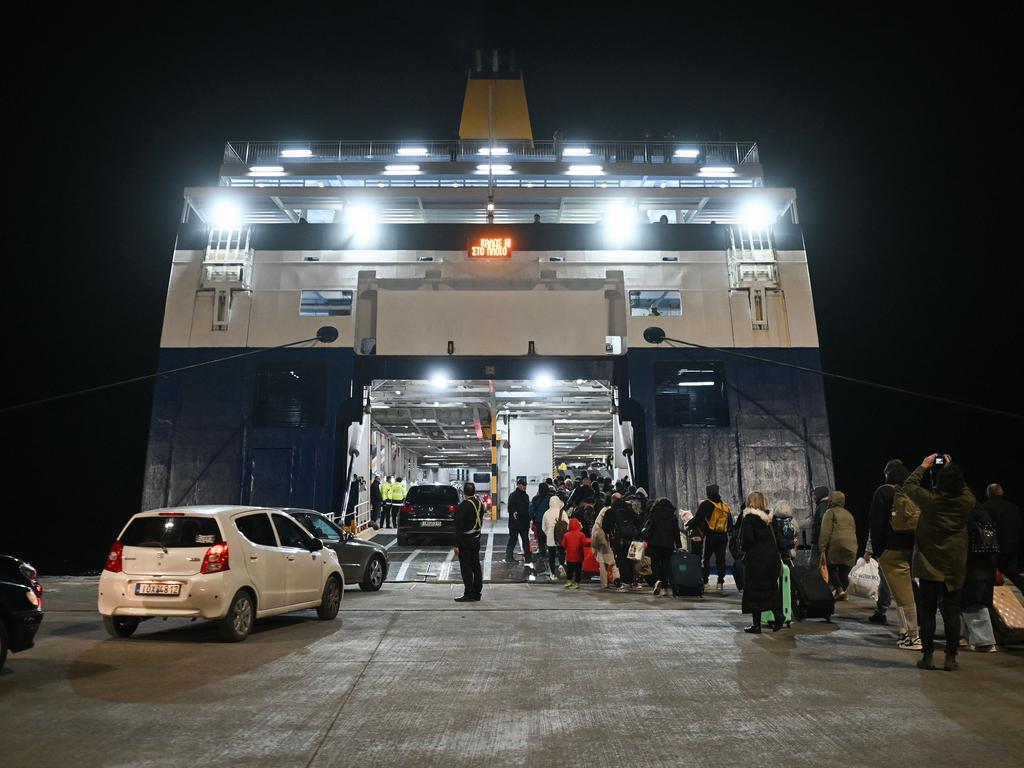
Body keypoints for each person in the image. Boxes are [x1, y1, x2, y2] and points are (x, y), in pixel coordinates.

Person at [904, 454, 975, 671]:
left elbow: (909, 485)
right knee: (952, 612)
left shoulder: (930, 501)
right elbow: (966, 491)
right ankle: (951, 658)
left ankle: (927, 657)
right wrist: (952, 469)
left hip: (928, 564)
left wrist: (923, 466)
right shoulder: (966, 502)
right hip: (954, 565)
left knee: (927, 611)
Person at [867, 459, 921, 648]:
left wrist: (879, 552)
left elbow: (876, 525)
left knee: (903, 596)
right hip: (913, 549)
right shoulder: (911, 493)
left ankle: (913, 636)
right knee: (906, 593)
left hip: (892, 550)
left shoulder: (883, 492)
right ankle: (905, 632)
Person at [739, 492, 784, 633]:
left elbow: (748, 541)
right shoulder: (771, 519)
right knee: (771, 589)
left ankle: (756, 625)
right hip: (772, 559)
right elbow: (778, 539)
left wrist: (743, 550)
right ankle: (778, 614)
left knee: (754, 592)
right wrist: (785, 554)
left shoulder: (748, 519)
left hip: (756, 560)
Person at [960, 504, 999, 652]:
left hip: (971, 567)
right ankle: (965, 636)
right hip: (985, 567)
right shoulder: (986, 520)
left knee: (973, 602)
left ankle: (984, 641)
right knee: (977, 600)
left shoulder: (968, 523)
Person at [982, 484, 1024, 592]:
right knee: (1013, 574)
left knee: (990, 577)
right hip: (1012, 547)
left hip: (995, 549)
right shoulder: (1014, 507)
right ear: (1002, 493)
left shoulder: (985, 508)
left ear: (988, 493)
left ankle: (990, 604)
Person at [819, 491, 858, 600]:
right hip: (851, 544)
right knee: (844, 568)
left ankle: (840, 590)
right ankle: (841, 592)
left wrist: (822, 547)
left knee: (830, 567)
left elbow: (825, 531)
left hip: (836, 544)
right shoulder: (849, 514)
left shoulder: (830, 512)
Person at [695, 484, 733, 592]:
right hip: (723, 537)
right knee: (720, 560)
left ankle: (706, 582)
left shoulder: (706, 504)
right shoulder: (724, 506)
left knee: (706, 558)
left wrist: (690, 525)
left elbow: (698, 519)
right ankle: (720, 583)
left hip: (711, 536)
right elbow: (730, 523)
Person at [645, 497, 683, 596]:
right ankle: (668, 586)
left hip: (654, 544)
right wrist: (678, 546)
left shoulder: (653, 514)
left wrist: (644, 539)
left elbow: (648, 528)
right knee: (666, 565)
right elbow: (676, 532)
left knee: (655, 563)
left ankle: (657, 581)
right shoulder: (673, 517)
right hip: (668, 545)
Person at [453, 482, 484, 602]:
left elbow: (459, 528)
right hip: (476, 539)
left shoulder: (463, 506)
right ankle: (477, 592)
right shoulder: (480, 504)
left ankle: (469, 593)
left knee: (466, 568)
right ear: (474, 491)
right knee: (476, 566)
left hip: (465, 541)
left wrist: (456, 544)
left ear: (464, 493)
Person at [604, 497, 641, 591]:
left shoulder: (610, 512)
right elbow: (639, 524)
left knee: (621, 560)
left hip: (618, 541)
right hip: (633, 541)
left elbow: (605, 527)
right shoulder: (630, 511)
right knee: (633, 560)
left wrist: (611, 535)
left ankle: (624, 582)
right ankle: (634, 581)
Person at [591, 502, 619, 588]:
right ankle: (616, 577)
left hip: (602, 541)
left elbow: (594, 535)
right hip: (612, 540)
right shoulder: (615, 513)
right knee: (614, 561)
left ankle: (604, 584)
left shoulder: (601, 515)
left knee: (602, 562)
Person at [505, 479, 532, 563]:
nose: (524, 487)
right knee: (513, 540)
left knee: (525, 540)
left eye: (525, 485)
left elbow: (528, 508)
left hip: (523, 523)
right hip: (515, 523)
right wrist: (514, 512)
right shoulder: (513, 496)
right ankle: (509, 557)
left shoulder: (525, 496)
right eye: (523, 485)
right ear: (518, 485)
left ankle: (528, 557)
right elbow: (510, 508)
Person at [542, 495, 568, 581]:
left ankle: (552, 574)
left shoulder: (546, 513)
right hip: (560, 537)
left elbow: (543, 527)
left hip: (550, 537)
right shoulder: (562, 512)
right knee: (561, 552)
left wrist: (548, 533)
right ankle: (561, 565)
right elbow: (567, 524)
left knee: (551, 556)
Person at [561, 518, 589, 589]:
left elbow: (563, 544)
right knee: (578, 570)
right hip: (579, 556)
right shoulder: (581, 534)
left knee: (569, 570)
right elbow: (585, 543)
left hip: (569, 557)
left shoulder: (566, 535)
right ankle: (577, 583)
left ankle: (569, 581)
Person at [529, 482, 552, 557]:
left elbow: (531, 510)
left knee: (540, 538)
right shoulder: (551, 497)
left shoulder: (536, 498)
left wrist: (531, 518)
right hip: (550, 521)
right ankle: (550, 553)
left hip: (539, 522)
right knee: (549, 537)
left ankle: (542, 554)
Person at [810, 485, 830, 554]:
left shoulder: (822, 506)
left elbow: (823, 523)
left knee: (815, 562)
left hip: (819, 541)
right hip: (820, 540)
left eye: (814, 495)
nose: (813, 497)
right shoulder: (823, 505)